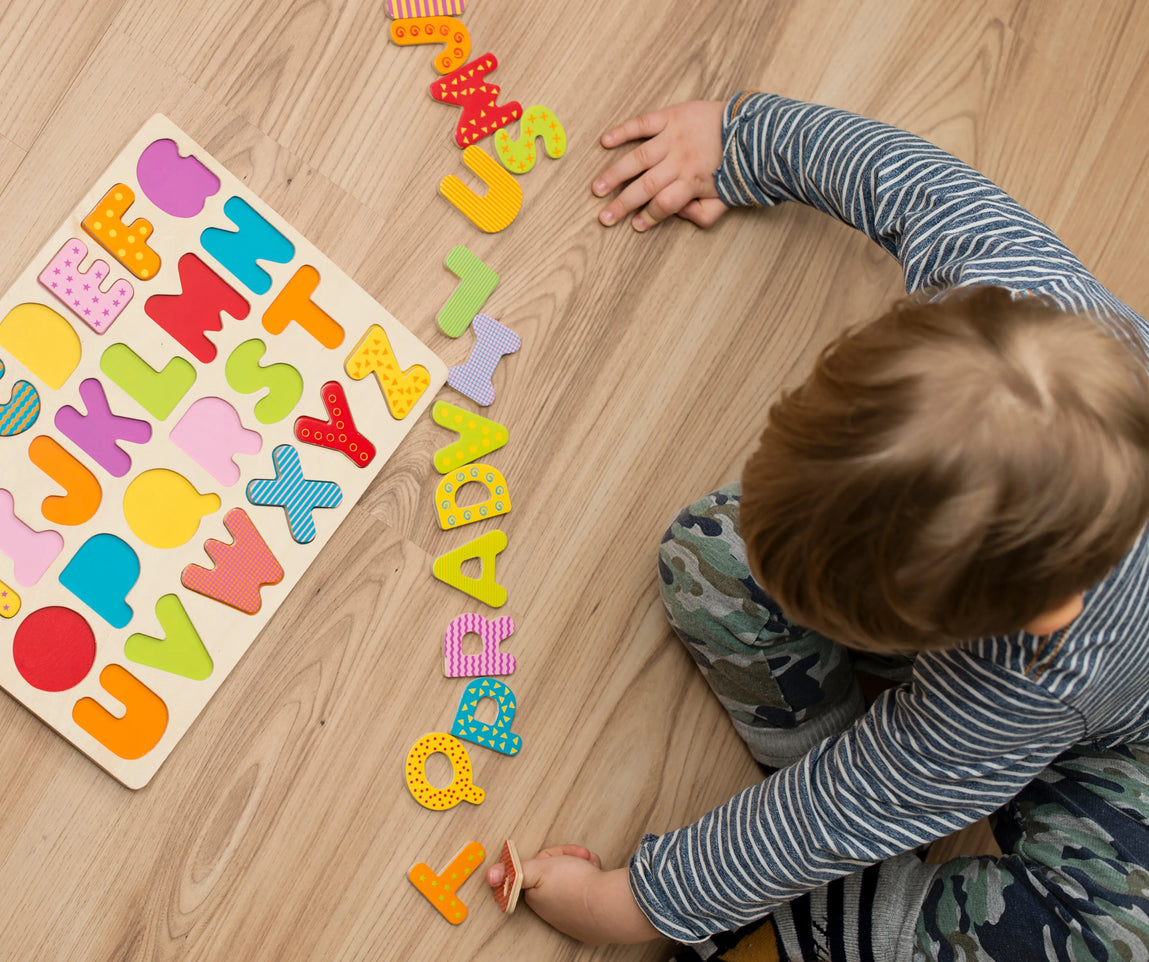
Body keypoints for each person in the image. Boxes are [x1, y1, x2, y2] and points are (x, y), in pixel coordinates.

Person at [483, 92, 1149, 961]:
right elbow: (907, 179)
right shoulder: (1008, 276)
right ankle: (828, 818)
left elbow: (851, 802)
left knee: (1106, 942)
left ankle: (837, 905)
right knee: (710, 561)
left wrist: (634, 905)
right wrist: (736, 138)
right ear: (928, 312)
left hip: (1118, 734)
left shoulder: (1025, 681)